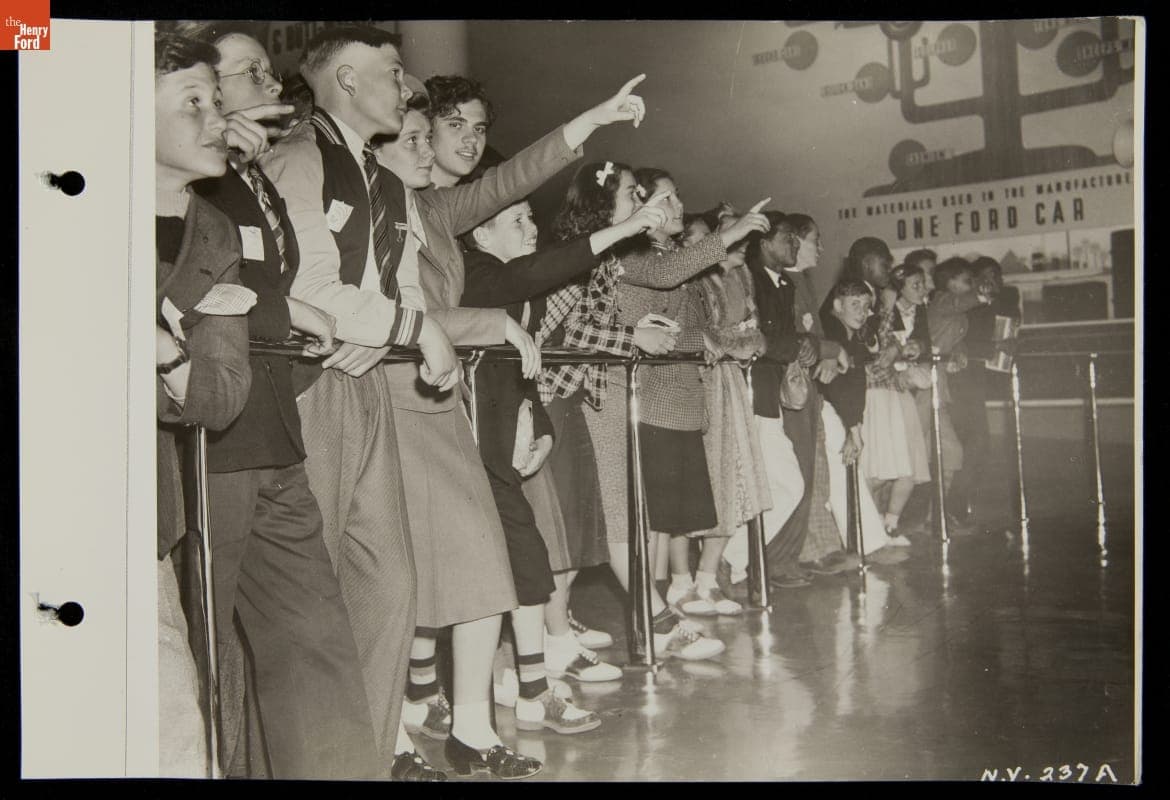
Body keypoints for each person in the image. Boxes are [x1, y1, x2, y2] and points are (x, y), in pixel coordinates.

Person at [371, 73, 651, 779]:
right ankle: (403, 726)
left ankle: (468, 725)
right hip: (392, 401)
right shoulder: (372, 204)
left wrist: (589, 121)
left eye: (476, 128)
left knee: (475, 564)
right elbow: (404, 310)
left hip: (446, 406)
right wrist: (485, 322)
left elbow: (516, 178)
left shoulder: (435, 209)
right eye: (443, 129)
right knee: (401, 575)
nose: (465, 143)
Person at [184, 28, 388, 779]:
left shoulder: (253, 174)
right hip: (213, 442)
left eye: (267, 69)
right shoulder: (181, 184)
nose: (270, 82)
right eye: (246, 73)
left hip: (272, 430)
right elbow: (202, 288)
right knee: (196, 653)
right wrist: (287, 312)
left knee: (315, 645)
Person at [261, 24, 461, 781]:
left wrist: (391, 331)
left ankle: (365, 762)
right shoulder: (298, 160)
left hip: (367, 381)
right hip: (311, 391)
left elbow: (398, 286)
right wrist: (412, 330)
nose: (407, 90)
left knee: (388, 587)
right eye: (393, 73)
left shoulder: (385, 182)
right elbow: (309, 290)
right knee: (310, 599)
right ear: (346, 80)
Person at [460, 186, 667, 731]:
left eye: (533, 217)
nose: (533, 228)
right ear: (480, 233)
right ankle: (460, 696)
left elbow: (526, 367)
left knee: (535, 556)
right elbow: (546, 315)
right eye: (520, 219)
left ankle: (532, 684)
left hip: (514, 434)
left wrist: (540, 429)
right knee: (479, 579)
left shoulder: (520, 286)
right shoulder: (477, 275)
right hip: (462, 442)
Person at [542, 160, 768, 658]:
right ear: (605, 206)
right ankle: (653, 623)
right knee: (606, 519)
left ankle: (563, 627)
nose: (646, 205)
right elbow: (562, 329)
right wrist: (729, 235)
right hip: (587, 396)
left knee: (600, 520)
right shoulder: (601, 256)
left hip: (609, 391)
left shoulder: (614, 255)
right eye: (633, 195)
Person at [154, 32, 252, 777]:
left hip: (144, 514)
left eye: (217, 101)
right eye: (193, 101)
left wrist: (164, 352)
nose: (217, 118)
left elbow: (218, 399)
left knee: (172, 722)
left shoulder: (214, 231)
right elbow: (21, 24)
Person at [691, 210, 770, 612]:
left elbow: (755, 332)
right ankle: (692, 582)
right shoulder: (698, 281)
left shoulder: (742, 277)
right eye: (731, 237)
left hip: (732, 385)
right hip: (706, 387)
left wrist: (742, 342)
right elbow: (708, 336)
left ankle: (708, 578)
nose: (742, 246)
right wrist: (737, 343)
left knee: (737, 479)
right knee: (714, 480)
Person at [819, 280, 910, 564]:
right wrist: (851, 429)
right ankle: (864, 545)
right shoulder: (834, 335)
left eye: (865, 306)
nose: (861, 312)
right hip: (824, 407)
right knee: (842, 470)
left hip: (838, 410)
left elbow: (854, 386)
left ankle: (864, 544)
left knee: (846, 472)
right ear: (837, 306)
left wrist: (853, 426)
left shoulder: (851, 335)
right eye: (854, 305)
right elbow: (837, 388)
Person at [858, 262, 932, 537]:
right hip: (881, 395)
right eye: (916, 285)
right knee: (882, 466)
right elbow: (878, 351)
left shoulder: (920, 311)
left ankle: (889, 524)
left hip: (901, 395)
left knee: (908, 465)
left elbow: (923, 342)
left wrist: (916, 348)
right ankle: (869, 525)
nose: (923, 289)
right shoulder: (878, 313)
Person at [920, 257, 992, 531]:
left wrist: (959, 354)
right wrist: (981, 293)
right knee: (921, 449)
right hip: (925, 381)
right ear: (949, 282)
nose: (970, 285)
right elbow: (963, 302)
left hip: (939, 383)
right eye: (966, 280)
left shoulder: (955, 312)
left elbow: (956, 339)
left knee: (947, 451)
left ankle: (934, 515)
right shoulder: (942, 301)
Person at [945, 256, 1017, 524]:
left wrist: (1009, 345)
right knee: (975, 441)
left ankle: (956, 499)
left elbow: (1006, 339)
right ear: (973, 281)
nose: (993, 282)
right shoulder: (968, 305)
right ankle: (954, 500)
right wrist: (994, 348)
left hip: (977, 380)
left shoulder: (1000, 304)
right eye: (986, 277)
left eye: (997, 276)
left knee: (976, 443)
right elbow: (959, 343)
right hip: (959, 381)